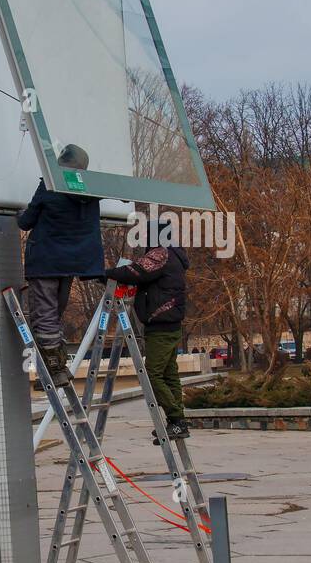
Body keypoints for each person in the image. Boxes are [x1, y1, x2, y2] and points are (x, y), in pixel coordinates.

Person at [16, 145, 104, 386]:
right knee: (54, 314)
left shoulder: (50, 184)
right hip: (72, 263)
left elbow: (26, 222)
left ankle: (55, 368)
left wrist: (18, 214)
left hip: (45, 262)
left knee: (44, 316)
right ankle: (59, 366)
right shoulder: (88, 190)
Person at [105, 222, 190, 442]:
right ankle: (177, 421)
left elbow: (136, 271)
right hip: (170, 324)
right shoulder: (174, 255)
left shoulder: (161, 254)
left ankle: (176, 419)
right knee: (169, 374)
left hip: (160, 325)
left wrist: (104, 274)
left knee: (152, 374)